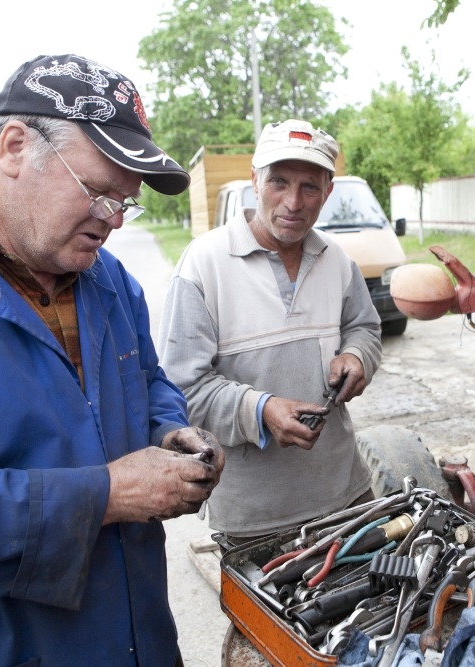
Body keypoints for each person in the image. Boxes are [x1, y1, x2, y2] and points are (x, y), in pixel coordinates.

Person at [0, 54, 225, 666]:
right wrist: (107, 495)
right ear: (14, 148)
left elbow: (147, 381)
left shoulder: (108, 278)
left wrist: (170, 431)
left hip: (143, 639)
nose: (112, 221)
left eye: (125, 203)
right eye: (98, 191)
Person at [159, 119, 382, 546]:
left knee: (379, 604)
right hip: (254, 517)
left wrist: (356, 356)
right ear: (254, 181)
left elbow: (365, 329)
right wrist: (260, 410)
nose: (293, 202)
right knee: (268, 615)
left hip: (347, 495)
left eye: (310, 187)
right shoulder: (203, 265)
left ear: (328, 192)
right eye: (279, 182)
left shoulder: (337, 260)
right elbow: (181, 391)